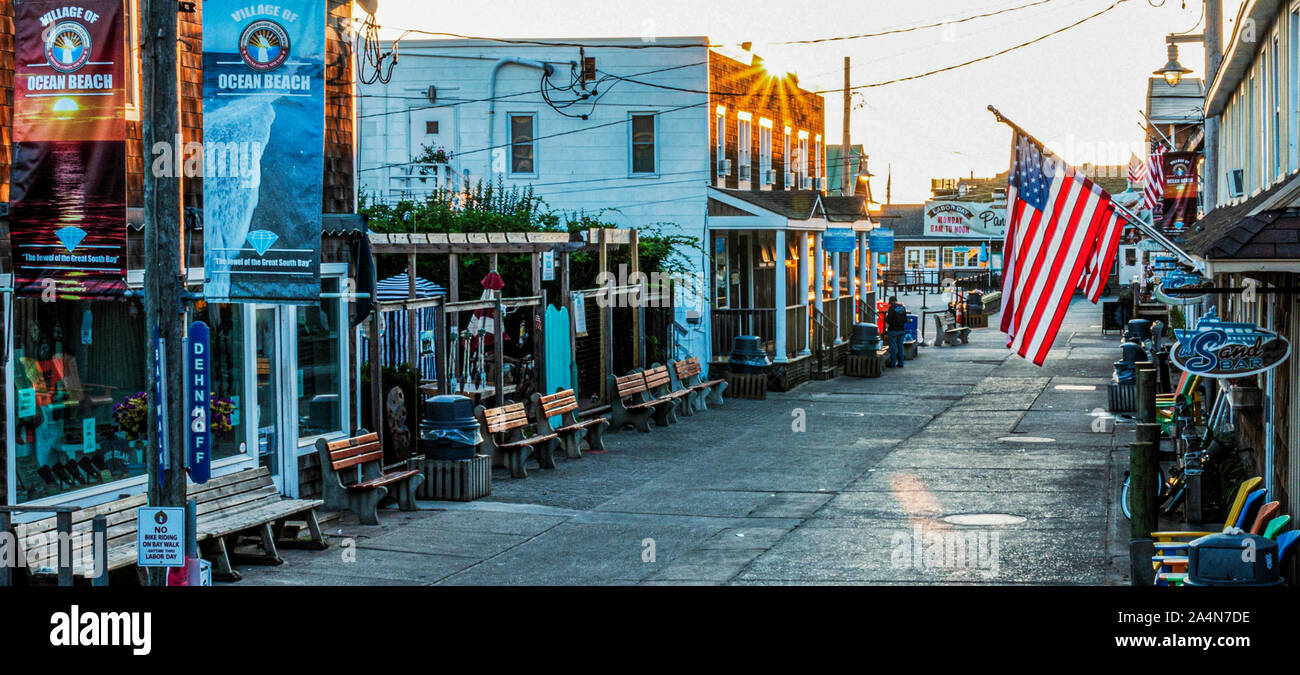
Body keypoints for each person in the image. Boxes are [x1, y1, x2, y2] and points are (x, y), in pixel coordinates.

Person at [885, 296, 908, 368]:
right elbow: (905, 319)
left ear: (891, 302)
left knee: (893, 347)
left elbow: (889, 319)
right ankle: (901, 363)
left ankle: (893, 363)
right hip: (901, 330)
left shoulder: (891, 308)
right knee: (900, 346)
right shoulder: (902, 307)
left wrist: (886, 319)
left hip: (893, 330)